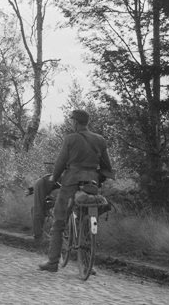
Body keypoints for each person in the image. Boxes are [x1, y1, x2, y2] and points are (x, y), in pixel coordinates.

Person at [39, 109, 114, 272]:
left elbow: (61, 161)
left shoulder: (71, 139)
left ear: (75, 122)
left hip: (71, 182)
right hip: (91, 183)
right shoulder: (100, 140)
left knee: (59, 221)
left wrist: (54, 177)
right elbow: (107, 167)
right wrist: (97, 177)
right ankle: (87, 264)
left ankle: (52, 262)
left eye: (71, 121)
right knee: (86, 216)